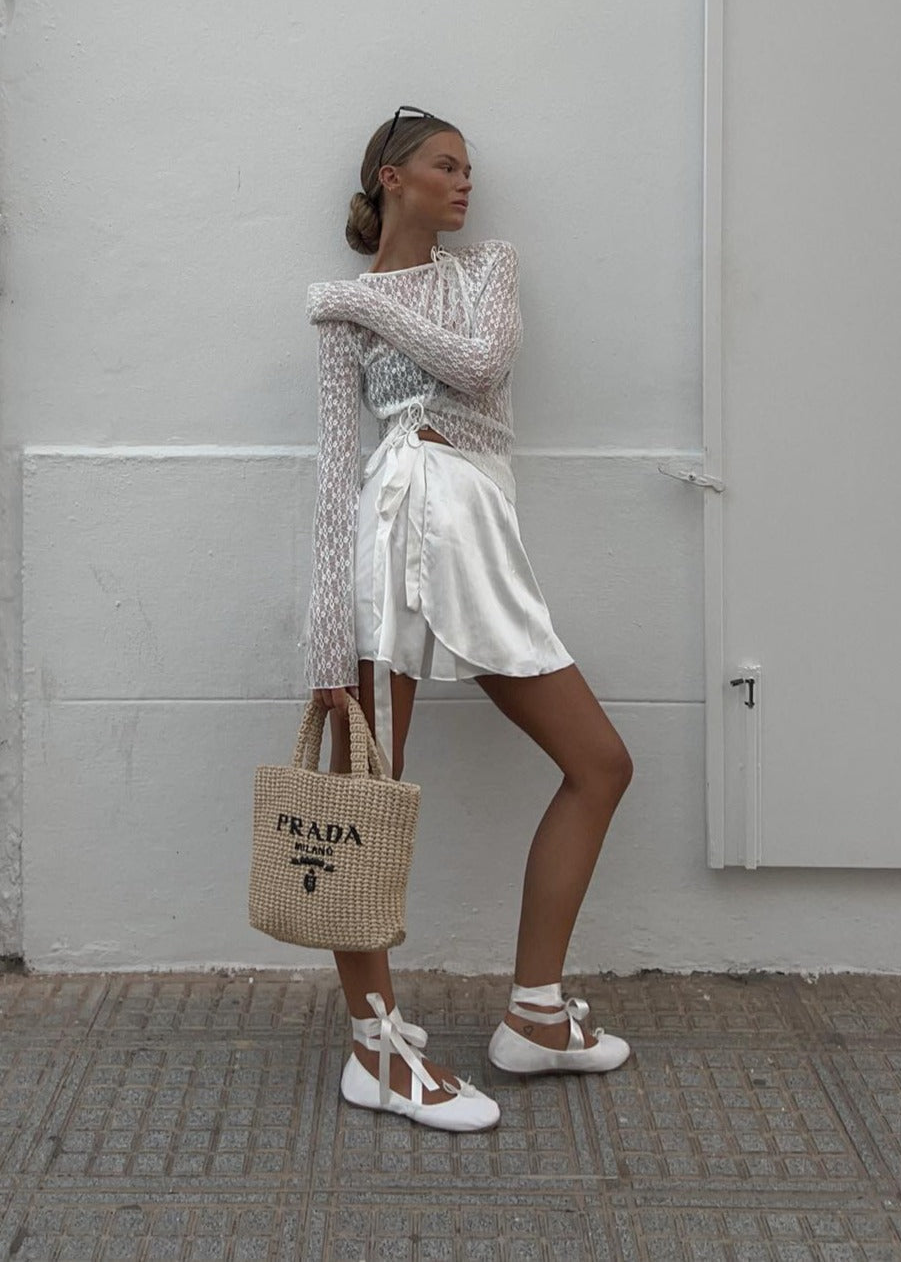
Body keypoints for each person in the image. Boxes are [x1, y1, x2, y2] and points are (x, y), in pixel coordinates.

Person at [303, 107, 636, 1132]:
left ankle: (534, 1015)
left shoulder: (483, 268)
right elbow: (330, 475)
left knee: (599, 762)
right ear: (392, 178)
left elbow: (482, 364)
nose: (466, 183)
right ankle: (377, 1050)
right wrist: (323, 634)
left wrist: (347, 302)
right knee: (367, 789)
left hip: (476, 524)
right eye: (446, 166)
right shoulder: (346, 314)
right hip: (394, 524)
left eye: (469, 168)